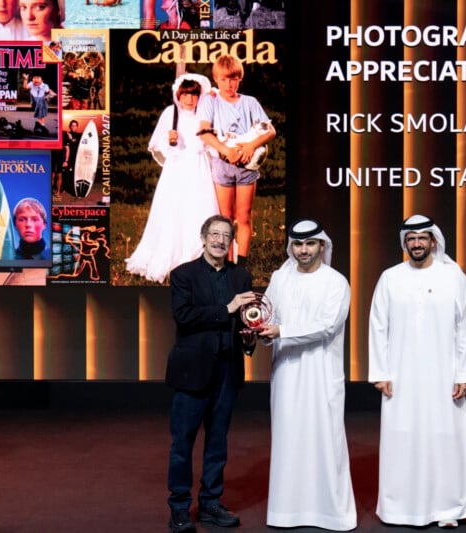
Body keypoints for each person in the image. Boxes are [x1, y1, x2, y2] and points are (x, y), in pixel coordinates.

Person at [368, 214, 466, 529]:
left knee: (445, 438)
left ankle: (447, 508)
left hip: (444, 375)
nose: (416, 243)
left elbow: (465, 329)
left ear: (433, 241)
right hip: (401, 377)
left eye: (422, 238)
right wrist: (380, 371)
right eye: (411, 238)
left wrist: (463, 374)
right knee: (401, 438)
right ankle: (400, 509)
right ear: (404, 243)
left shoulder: (453, 277)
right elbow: (378, 326)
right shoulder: (390, 277)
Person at [259, 218, 357, 530]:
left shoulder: (336, 282)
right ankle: (286, 512)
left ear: (321, 246)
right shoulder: (280, 278)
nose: (303, 250)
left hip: (321, 373)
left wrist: (281, 330)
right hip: (286, 373)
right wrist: (259, 332)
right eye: (298, 244)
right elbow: (268, 315)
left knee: (325, 441)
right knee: (288, 439)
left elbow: (328, 326)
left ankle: (332, 514)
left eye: (310, 244)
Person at [165, 214, 256, 533]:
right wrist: (226, 309)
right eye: (214, 234)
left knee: (218, 442)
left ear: (232, 242)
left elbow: (244, 320)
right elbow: (184, 316)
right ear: (203, 238)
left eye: (226, 236)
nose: (220, 240)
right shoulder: (182, 275)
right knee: (183, 443)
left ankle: (210, 503)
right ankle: (178, 508)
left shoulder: (241, 276)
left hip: (227, 371)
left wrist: (254, 332)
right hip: (192, 373)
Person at [125, 73, 219, 284]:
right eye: (185, 94)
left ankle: (199, 255)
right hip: (177, 167)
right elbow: (157, 145)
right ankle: (171, 252)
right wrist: (170, 141)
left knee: (199, 207)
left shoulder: (205, 113)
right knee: (174, 209)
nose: (189, 99)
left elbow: (212, 137)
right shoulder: (171, 113)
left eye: (194, 94)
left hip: (199, 167)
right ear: (179, 94)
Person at [197, 53, 275, 265]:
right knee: (226, 218)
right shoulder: (210, 102)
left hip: (247, 167)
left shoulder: (249, 102)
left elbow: (270, 131)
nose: (229, 84)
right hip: (222, 165)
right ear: (216, 79)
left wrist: (251, 145)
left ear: (240, 78)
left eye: (233, 78)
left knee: (244, 216)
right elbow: (204, 132)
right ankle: (226, 261)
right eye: (223, 79)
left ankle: (241, 263)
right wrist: (225, 150)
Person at [53, 119, 80, 198]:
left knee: (73, 174)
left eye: (75, 126)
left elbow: (75, 142)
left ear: (77, 127)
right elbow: (65, 146)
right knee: (65, 174)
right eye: (72, 125)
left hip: (75, 158)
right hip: (66, 157)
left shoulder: (78, 135)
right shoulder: (66, 134)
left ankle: (75, 191)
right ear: (70, 126)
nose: (73, 127)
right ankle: (63, 188)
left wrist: (71, 138)